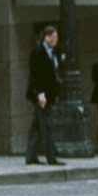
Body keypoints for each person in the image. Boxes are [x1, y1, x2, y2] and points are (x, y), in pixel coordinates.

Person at [25, 24, 66, 167]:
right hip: (41, 94)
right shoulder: (38, 52)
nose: (54, 40)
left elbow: (54, 70)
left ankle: (31, 156)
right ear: (46, 37)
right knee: (47, 125)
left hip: (49, 92)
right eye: (52, 37)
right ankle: (51, 157)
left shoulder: (54, 52)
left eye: (55, 37)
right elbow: (36, 76)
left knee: (36, 125)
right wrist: (40, 95)